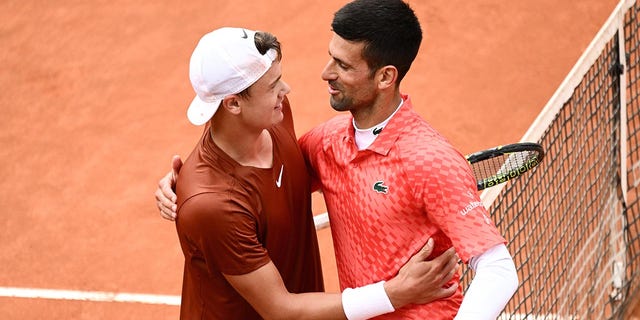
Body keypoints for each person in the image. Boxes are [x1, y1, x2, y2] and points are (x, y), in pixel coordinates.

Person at [157, 1, 519, 318]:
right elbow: (245, 186)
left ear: (385, 77)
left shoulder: (430, 160)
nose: (325, 73)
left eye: (343, 65)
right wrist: (188, 190)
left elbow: (498, 269)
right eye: (331, 57)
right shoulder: (326, 144)